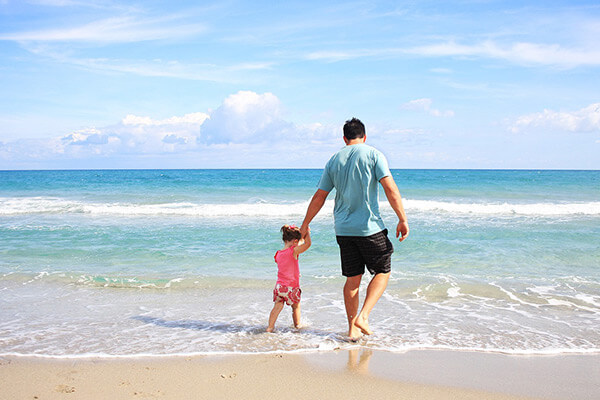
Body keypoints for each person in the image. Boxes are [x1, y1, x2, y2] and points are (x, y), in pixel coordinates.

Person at [300, 118, 409, 340]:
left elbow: (320, 195)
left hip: (343, 229)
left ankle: (352, 330)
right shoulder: (373, 154)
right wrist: (402, 218)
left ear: (344, 138)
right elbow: (390, 188)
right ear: (364, 136)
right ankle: (364, 316)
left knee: (352, 279)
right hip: (369, 228)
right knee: (383, 271)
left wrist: (305, 223)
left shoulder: (333, 160)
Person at [266, 224, 311, 332]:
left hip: (279, 287)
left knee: (277, 307)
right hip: (292, 288)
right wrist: (307, 233)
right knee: (296, 307)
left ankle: (270, 327)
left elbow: (286, 266)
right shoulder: (293, 251)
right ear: (295, 241)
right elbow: (308, 244)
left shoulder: (278, 254)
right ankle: (297, 325)